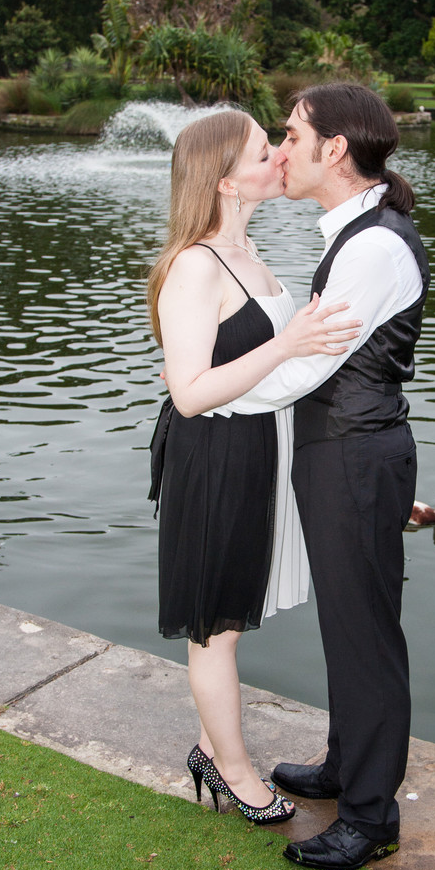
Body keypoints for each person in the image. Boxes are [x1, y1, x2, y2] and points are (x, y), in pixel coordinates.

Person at [217, 82, 430, 869]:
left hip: (351, 453)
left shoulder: (373, 245)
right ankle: (347, 766)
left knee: (363, 634)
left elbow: (305, 368)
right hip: (346, 454)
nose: (280, 147)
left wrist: (212, 401)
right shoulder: (356, 231)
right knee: (348, 622)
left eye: (292, 134)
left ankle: (370, 817)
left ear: (333, 149)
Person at [146, 109, 361, 826]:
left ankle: (214, 746)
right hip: (211, 457)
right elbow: (191, 391)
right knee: (216, 626)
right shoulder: (192, 267)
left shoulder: (254, 258)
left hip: (256, 450)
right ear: (224, 180)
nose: (277, 159)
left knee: (233, 610)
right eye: (263, 151)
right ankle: (233, 771)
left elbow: (279, 377)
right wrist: (286, 343)